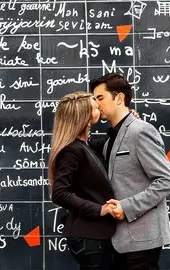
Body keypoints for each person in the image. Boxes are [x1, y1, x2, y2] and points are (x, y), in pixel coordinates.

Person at [90, 73, 170, 270]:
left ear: (119, 98)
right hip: (120, 241)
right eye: (94, 99)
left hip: (142, 240)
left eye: (100, 98)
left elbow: (166, 181)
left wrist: (127, 207)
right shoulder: (111, 139)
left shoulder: (140, 131)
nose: (96, 104)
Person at [49, 92, 119, 270]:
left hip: (93, 237)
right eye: (95, 106)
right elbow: (59, 193)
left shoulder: (84, 146)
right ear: (85, 117)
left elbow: (110, 144)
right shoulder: (73, 150)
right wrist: (99, 210)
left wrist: (124, 123)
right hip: (90, 239)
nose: (99, 106)